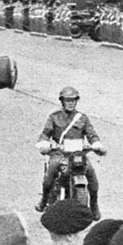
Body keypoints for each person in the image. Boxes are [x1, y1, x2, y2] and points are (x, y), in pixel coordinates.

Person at [37, 86, 106, 218]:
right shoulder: (54, 117)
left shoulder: (82, 118)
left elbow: (91, 134)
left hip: (78, 155)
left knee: (92, 177)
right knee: (49, 177)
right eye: (68, 100)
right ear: (62, 101)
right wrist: (45, 145)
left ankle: (94, 205)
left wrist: (96, 145)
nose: (70, 103)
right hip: (59, 155)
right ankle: (44, 201)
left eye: (73, 100)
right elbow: (45, 134)